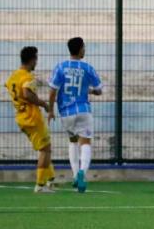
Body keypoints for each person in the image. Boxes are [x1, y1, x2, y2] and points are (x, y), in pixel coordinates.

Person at [47, 37, 103, 193]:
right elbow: (99, 89)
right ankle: (82, 174)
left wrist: (51, 110)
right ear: (80, 49)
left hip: (65, 111)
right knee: (85, 143)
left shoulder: (60, 67)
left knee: (72, 141)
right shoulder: (87, 68)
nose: (84, 50)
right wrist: (91, 91)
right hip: (83, 110)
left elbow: (52, 91)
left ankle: (74, 175)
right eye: (84, 47)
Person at [4, 47, 55, 193]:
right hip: (32, 118)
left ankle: (51, 180)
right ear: (32, 60)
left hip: (21, 117)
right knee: (45, 150)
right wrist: (44, 104)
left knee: (45, 148)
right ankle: (40, 185)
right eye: (36, 59)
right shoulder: (27, 77)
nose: (37, 62)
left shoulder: (14, 76)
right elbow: (27, 93)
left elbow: (10, 87)